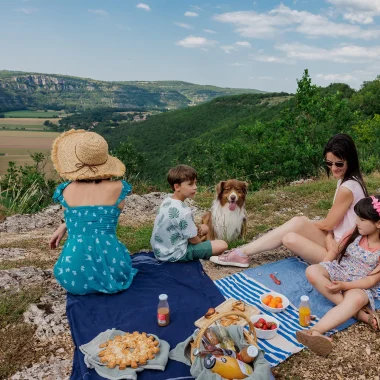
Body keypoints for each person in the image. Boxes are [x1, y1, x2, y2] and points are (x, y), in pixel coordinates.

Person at [210, 133, 368, 267]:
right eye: (329, 163)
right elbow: (334, 225)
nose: (333, 168)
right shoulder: (349, 180)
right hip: (337, 241)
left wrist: (309, 223)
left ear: (350, 160)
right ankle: (242, 253)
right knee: (288, 237)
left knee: (297, 225)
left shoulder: (348, 188)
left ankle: (242, 253)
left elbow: (328, 224)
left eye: (339, 163)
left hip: (343, 253)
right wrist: (325, 234)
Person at [49, 129, 137, 295]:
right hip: (113, 271)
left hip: (73, 277)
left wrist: (64, 226)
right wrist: (64, 225)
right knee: (121, 261)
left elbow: (81, 215)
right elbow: (96, 215)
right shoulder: (119, 188)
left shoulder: (65, 191)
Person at [296, 195, 380, 356]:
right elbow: (336, 251)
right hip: (341, 270)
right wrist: (322, 267)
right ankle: (360, 314)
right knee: (312, 270)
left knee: (356, 299)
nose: (357, 222)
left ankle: (315, 331)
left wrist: (345, 286)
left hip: (360, 283)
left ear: (378, 223)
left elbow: (371, 280)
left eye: (362, 219)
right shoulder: (355, 233)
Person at [151, 165, 228, 262]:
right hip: (175, 254)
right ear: (177, 186)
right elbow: (193, 240)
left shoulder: (166, 201)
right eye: (190, 184)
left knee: (204, 228)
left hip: (159, 251)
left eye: (195, 183)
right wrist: (201, 241)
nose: (195, 187)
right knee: (222, 244)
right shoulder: (184, 211)